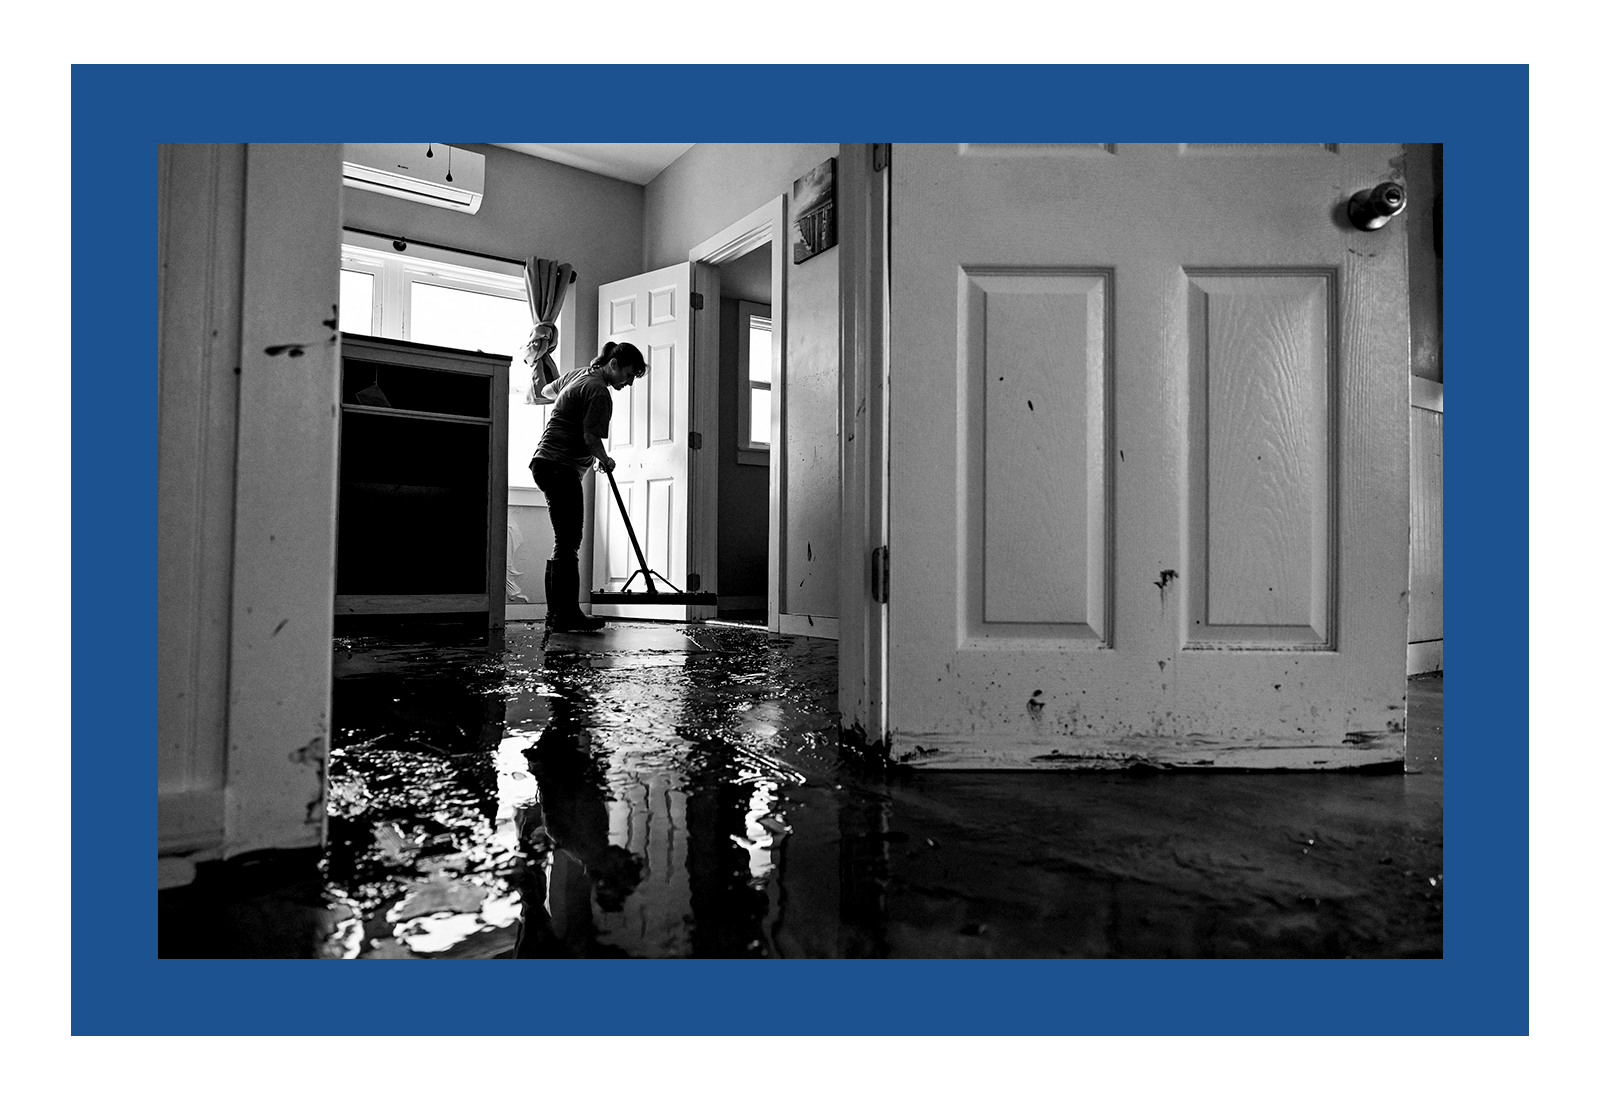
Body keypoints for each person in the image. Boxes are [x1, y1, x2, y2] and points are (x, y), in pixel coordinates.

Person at [530, 341, 648, 632]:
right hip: (560, 466)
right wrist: (605, 458)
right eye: (630, 375)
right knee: (569, 541)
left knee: (564, 540)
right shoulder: (599, 392)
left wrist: (566, 406)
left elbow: (546, 391)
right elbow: (590, 439)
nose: (630, 382)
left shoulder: (579, 375)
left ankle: (556, 615)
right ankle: (566, 615)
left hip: (544, 461)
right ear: (614, 364)